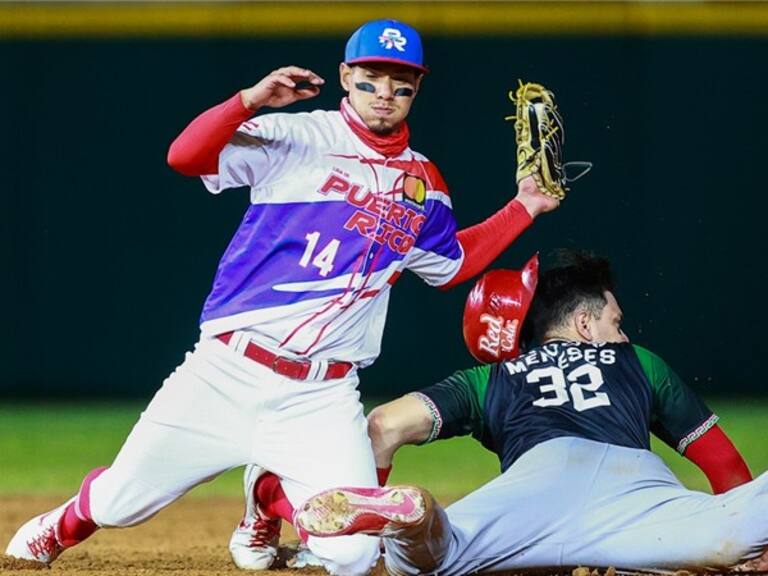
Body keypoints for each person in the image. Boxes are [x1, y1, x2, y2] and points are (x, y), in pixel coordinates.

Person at [4, 18, 560, 575]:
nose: (385, 93)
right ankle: (63, 524)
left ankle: (270, 495)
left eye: (400, 82)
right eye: (370, 78)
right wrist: (248, 101)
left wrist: (526, 206)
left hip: (322, 395)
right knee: (120, 504)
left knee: (352, 555)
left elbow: (448, 266)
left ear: (417, 87)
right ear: (346, 76)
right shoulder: (298, 137)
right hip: (228, 370)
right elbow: (185, 156)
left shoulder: (425, 181)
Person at [296, 252, 767, 575]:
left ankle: (413, 517)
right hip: (635, 494)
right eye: (615, 323)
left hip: (530, 493)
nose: (622, 335)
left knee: (434, 556)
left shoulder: (493, 377)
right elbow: (723, 464)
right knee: (731, 530)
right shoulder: (637, 360)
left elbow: (386, 424)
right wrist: (746, 532)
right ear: (585, 324)